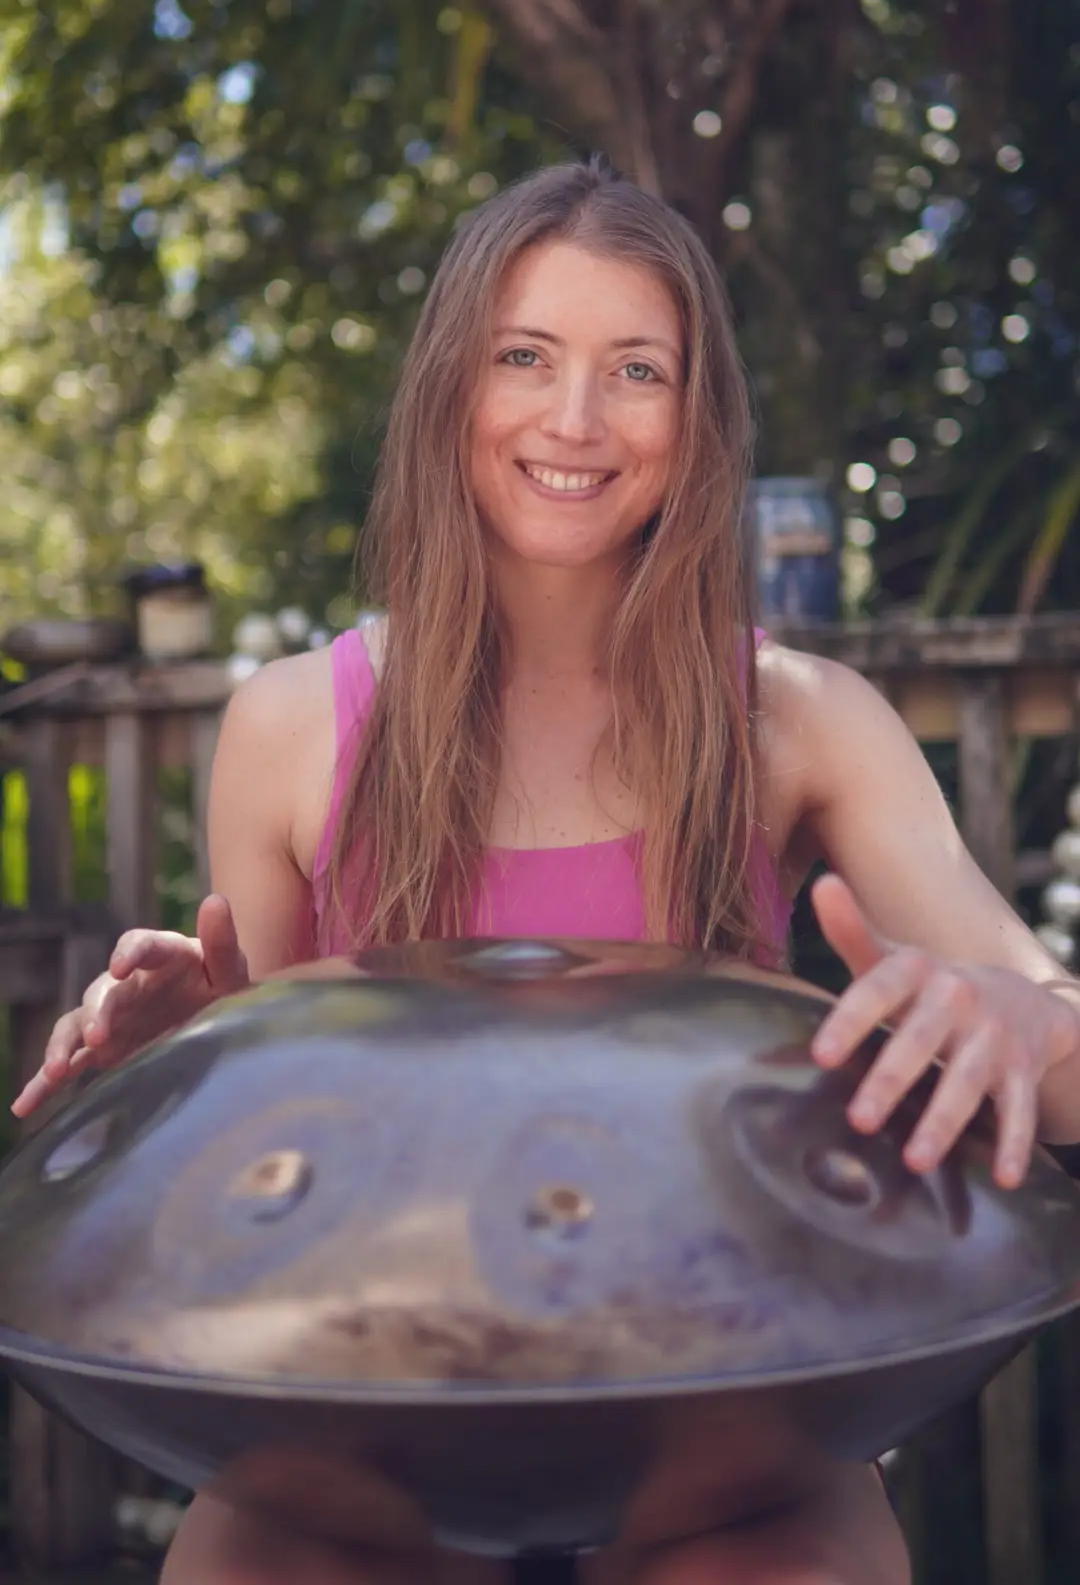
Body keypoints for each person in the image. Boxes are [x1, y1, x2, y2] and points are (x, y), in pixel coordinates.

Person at [14, 160, 1080, 1585]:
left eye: (636, 369)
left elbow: (1051, 1046)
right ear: (455, 384)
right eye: (526, 358)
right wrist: (172, 1077)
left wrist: (1030, 1023)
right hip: (374, 1423)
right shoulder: (289, 731)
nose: (575, 420)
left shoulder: (798, 722)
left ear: (696, 418)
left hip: (727, 1417)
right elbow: (262, 1201)